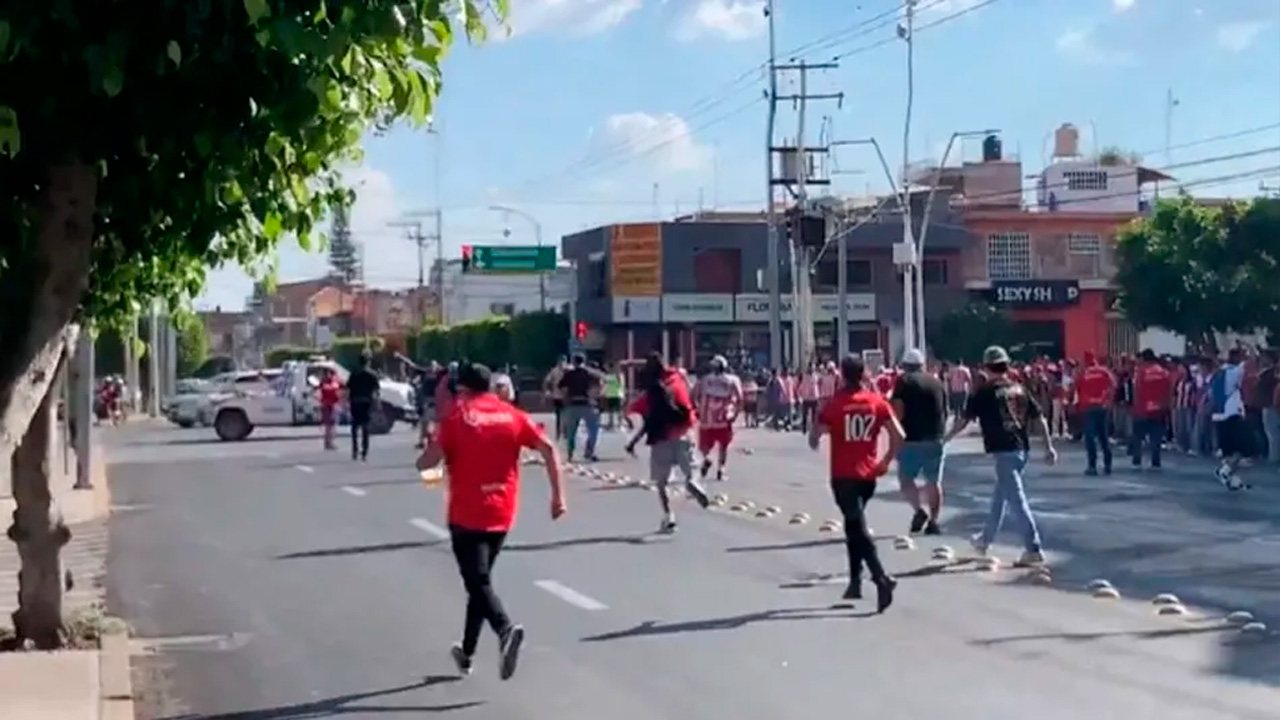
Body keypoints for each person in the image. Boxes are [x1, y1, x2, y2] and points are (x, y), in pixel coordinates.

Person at [416, 362, 565, 681]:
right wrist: (558, 497)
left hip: (466, 513)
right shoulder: (511, 414)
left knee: (477, 582)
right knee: (479, 582)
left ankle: (505, 629)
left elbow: (432, 463)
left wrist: (426, 472)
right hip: (502, 512)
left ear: (463, 388)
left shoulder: (458, 415)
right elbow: (549, 449)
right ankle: (466, 652)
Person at [943, 346, 1056, 567]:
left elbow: (964, 419)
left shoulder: (984, 392)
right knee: (1000, 498)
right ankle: (984, 540)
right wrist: (1048, 446)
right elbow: (1039, 417)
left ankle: (1033, 548)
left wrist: (947, 437)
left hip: (1003, 451)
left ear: (986, 367)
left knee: (1016, 500)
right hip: (1021, 449)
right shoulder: (1019, 388)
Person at [809, 354, 902, 612]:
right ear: (864, 374)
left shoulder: (836, 404)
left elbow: (815, 437)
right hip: (869, 475)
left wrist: (819, 431)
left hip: (843, 474)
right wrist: (886, 460)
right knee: (853, 525)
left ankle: (880, 577)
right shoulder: (876, 401)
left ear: (841, 374)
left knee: (856, 526)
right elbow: (898, 434)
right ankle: (855, 582)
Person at [625, 353, 711, 533]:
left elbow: (637, 415)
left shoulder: (649, 395)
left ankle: (669, 516)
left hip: (660, 441)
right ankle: (693, 483)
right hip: (683, 435)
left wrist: (632, 441)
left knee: (662, 484)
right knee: (692, 470)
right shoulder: (678, 378)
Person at [891, 349, 948, 536]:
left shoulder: (903, 382)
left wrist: (894, 432)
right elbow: (945, 411)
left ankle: (919, 511)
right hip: (935, 437)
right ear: (922, 365)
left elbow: (898, 410)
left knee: (906, 480)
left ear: (905, 366)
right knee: (934, 482)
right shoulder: (937, 382)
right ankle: (934, 520)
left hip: (911, 438)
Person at [691, 355, 743, 482]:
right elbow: (740, 398)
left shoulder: (704, 380)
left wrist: (697, 409)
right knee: (723, 446)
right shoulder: (733, 380)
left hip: (706, 419)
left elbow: (693, 396)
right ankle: (721, 468)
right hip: (723, 418)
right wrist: (735, 414)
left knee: (705, 446)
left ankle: (708, 458)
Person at [1209, 348, 1252, 490]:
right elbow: (1249, 363)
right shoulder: (1236, 372)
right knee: (1243, 448)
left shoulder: (1219, 373)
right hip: (1232, 412)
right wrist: (1249, 349)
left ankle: (1233, 480)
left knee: (1228, 450)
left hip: (1219, 414)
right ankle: (1226, 470)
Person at [1073, 351, 1115, 476]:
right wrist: (1109, 403)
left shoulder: (1083, 373)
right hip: (1102, 407)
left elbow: (1075, 390)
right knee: (1103, 437)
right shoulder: (1105, 372)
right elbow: (1113, 386)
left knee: (1090, 438)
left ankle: (1092, 466)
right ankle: (1108, 465)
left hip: (1088, 408)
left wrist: (1076, 407)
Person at [1130, 349, 1172, 470]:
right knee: (1156, 437)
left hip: (1143, 408)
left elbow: (1136, 390)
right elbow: (1169, 391)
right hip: (1159, 409)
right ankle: (1155, 461)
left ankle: (1137, 460)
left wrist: (1136, 407)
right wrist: (1167, 407)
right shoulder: (1164, 372)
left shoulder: (1141, 372)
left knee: (1138, 436)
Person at [558, 354, 603, 462]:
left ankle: (570, 454)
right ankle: (589, 451)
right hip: (588, 403)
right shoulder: (590, 373)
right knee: (593, 430)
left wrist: (565, 397)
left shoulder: (569, 374)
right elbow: (600, 382)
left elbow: (560, 386)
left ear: (574, 362)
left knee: (571, 432)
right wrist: (595, 394)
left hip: (572, 404)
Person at [346, 353, 380, 461]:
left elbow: (348, 389)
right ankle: (364, 452)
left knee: (354, 428)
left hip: (355, 402)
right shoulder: (372, 375)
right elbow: (376, 391)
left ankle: (355, 450)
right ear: (368, 362)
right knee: (365, 428)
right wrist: (377, 404)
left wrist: (348, 402)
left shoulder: (354, 374)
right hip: (366, 402)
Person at [542, 357, 568, 441]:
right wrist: (547, 391)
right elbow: (547, 381)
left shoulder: (569, 369)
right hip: (557, 395)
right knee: (559, 415)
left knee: (568, 415)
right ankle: (559, 433)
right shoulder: (554, 371)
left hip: (567, 396)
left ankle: (566, 432)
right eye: (561, 361)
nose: (562, 363)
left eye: (563, 361)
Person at [317, 368, 342, 451]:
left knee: (331, 426)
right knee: (330, 425)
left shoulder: (328, 382)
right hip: (328, 406)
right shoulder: (327, 383)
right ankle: (328, 443)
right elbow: (333, 390)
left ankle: (328, 442)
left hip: (330, 405)